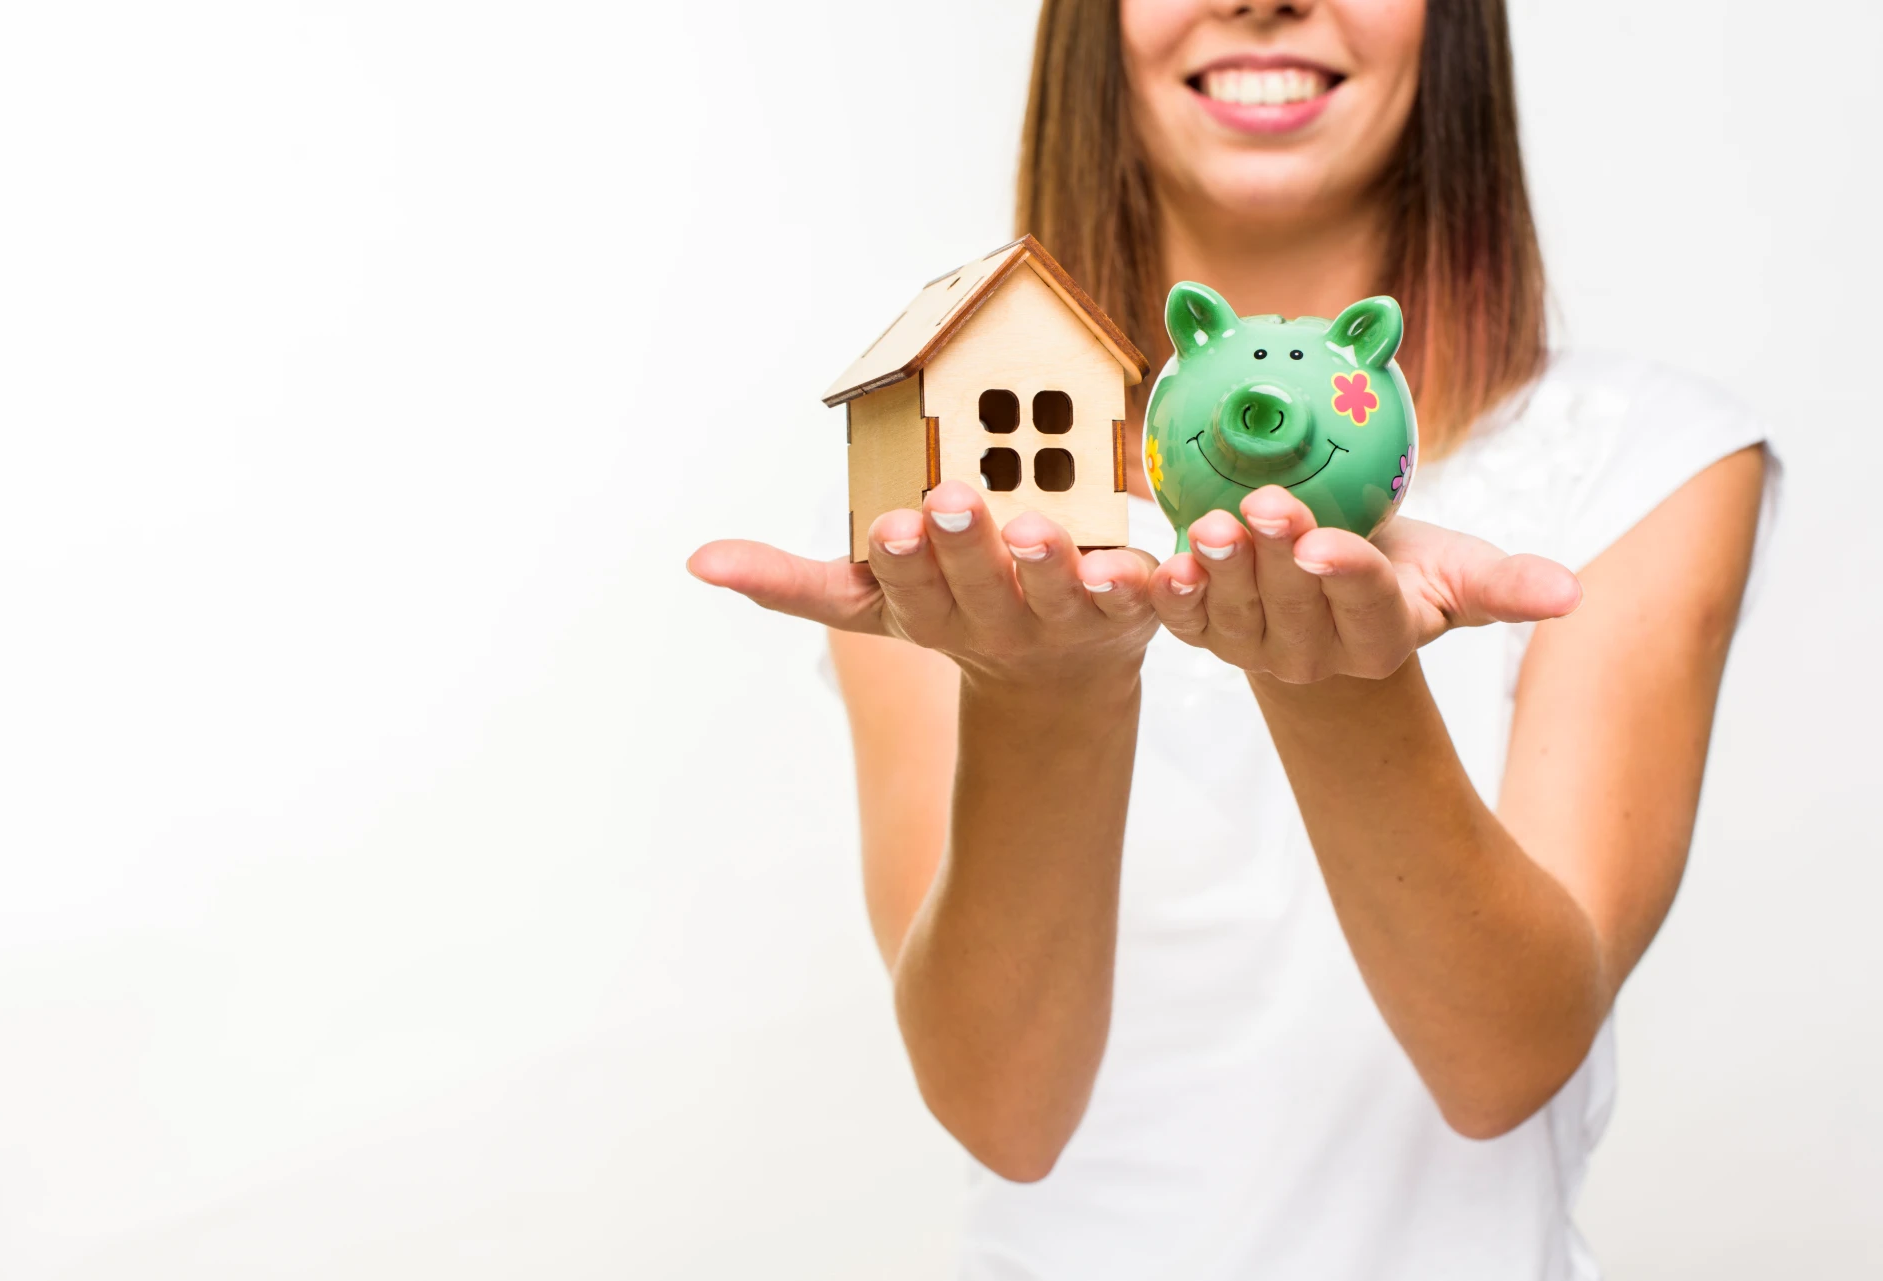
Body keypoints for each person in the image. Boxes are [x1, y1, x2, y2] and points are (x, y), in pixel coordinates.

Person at [689, 0, 1776, 1276]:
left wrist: (1339, 676)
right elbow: (1005, 1115)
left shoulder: (1652, 467)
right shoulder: (953, 513)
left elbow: (1502, 1067)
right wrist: (1045, 694)